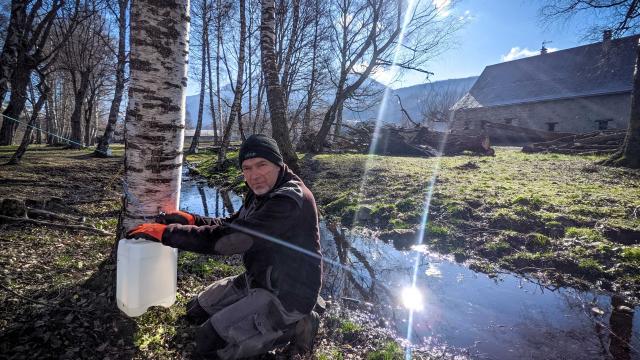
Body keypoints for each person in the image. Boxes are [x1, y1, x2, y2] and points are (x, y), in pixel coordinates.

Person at [126, 134, 323, 359]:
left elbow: (232, 240)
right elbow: (231, 224)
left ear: (278, 164)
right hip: (259, 278)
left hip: (288, 295)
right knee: (195, 311)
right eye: (247, 168)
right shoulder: (262, 191)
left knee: (208, 344)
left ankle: (298, 323)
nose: (254, 175)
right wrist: (192, 220)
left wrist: (168, 234)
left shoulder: (289, 200)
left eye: (262, 165)